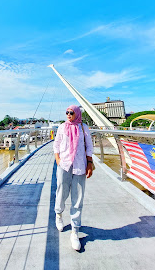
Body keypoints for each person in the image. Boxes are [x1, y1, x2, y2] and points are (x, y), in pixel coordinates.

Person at [53, 105, 93, 251]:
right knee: (61, 193)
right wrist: (58, 159)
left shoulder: (84, 127)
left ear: (77, 114)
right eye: (67, 112)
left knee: (78, 199)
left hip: (79, 165)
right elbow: (56, 144)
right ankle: (58, 214)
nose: (68, 114)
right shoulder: (62, 127)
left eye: (71, 112)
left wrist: (89, 163)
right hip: (64, 165)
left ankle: (74, 231)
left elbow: (89, 146)